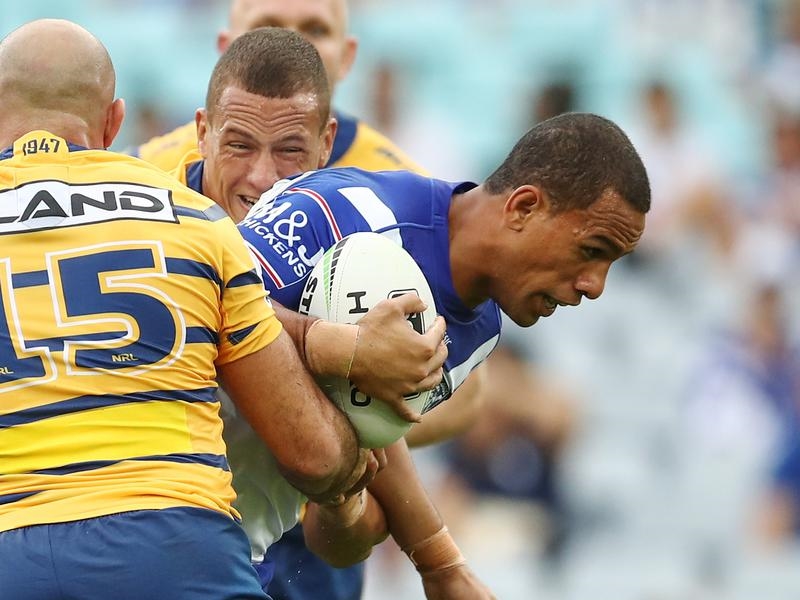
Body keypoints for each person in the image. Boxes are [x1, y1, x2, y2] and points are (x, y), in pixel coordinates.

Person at [0, 19, 381, 600]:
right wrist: (357, 439)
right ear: (114, 123)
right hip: (172, 546)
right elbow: (313, 455)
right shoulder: (196, 220)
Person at [177, 26, 494, 600]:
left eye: (290, 151)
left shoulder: (379, 208)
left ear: (327, 144)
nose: (263, 177)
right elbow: (208, 300)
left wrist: (347, 434)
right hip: (157, 533)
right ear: (202, 131)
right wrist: (332, 352)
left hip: (288, 553)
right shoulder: (146, 214)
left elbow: (448, 399)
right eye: (240, 145)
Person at [133, 0, 422, 175]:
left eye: (316, 29)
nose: (290, 44)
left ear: (347, 57)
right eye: (267, 26)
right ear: (225, 49)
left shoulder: (403, 190)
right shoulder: (149, 173)